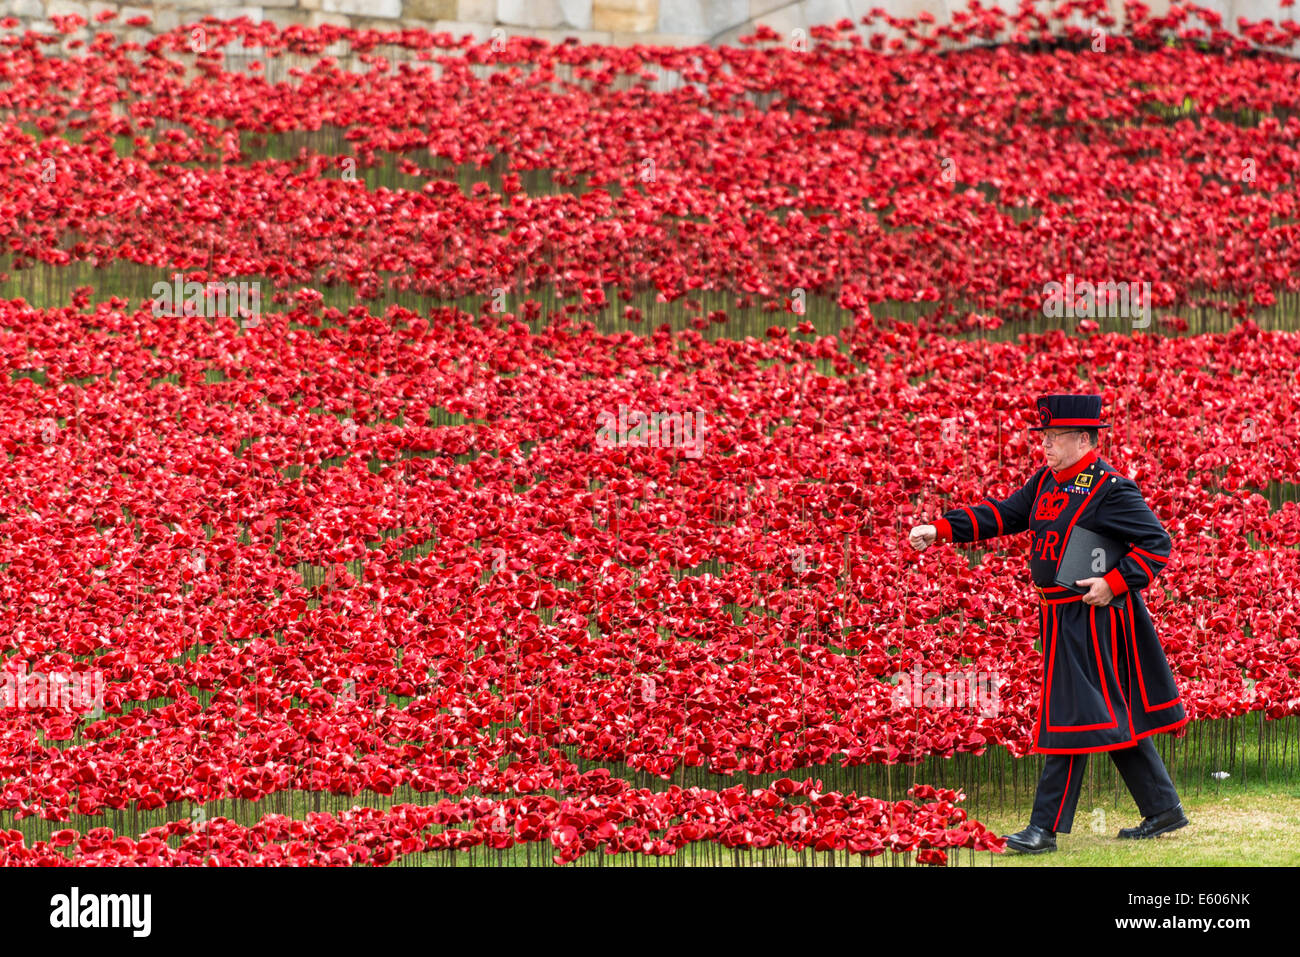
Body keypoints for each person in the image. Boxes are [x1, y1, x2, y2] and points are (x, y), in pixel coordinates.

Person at [908, 394, 1189, 854]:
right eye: (1043, 436)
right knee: (1103, 714)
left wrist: (1114, 583)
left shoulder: (1111, 488)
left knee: (1070, 714)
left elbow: (1157, 544)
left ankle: (1044, 830)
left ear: (1083, 438)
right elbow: (1002, 515)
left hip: (1094, 618)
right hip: (1059, 616)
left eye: (1054, 437)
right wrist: (941, 530)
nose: (1045, 444)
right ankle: (1163, 809)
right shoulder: (1045, 481)